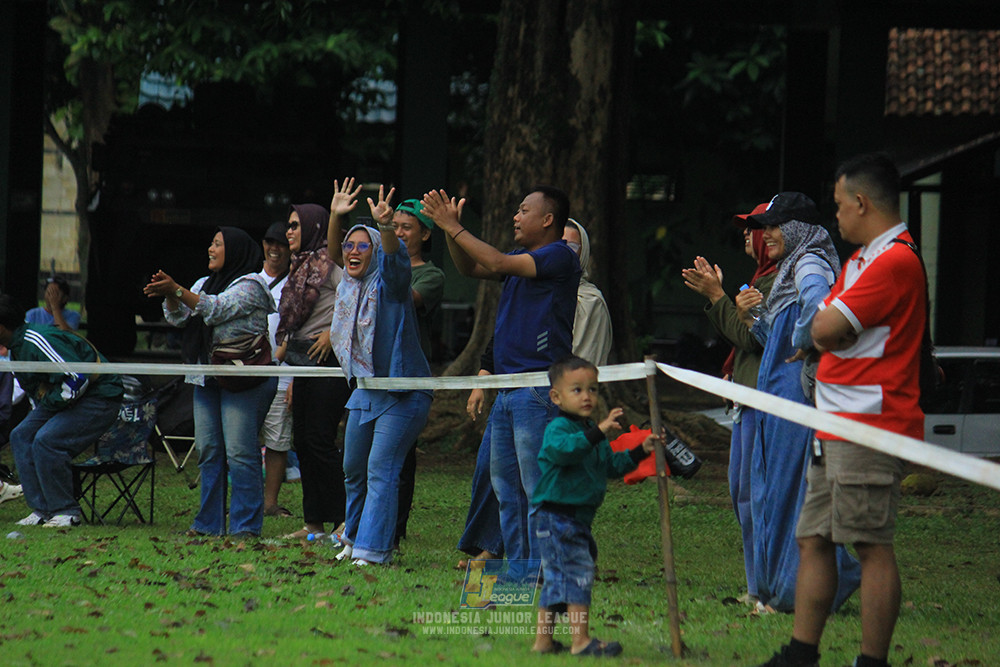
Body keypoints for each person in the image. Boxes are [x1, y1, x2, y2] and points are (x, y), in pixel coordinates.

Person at [758, 155, 925, 667]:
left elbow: (823, 326)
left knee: (870, 544)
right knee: (813, 537)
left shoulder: (893, 261)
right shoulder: (858, 261)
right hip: (831, 422)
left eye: (838, 205)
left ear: (862, 202)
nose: (836, 216)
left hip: (869, 424)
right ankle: (801, 652)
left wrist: (823, 331)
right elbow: (823, 324)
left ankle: (872, 660)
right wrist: (824, 330)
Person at [422, 186, 580, 577]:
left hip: (537, 390)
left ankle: (545, 567)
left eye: (524, 210)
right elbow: (471, 268)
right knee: (506, 490)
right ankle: (522, 570)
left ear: (548, 219)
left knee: (535, 486)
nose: (515, 217)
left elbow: (493, 259)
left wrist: (452, 226)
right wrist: (450, 230)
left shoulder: (560, 255)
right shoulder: (519, 260)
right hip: (509, 390)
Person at [456, 216, 611, 566]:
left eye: (570, 244)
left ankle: (550, 560)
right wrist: (484, 378)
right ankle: (517, 562)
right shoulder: (526, 282)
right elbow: (504, 331)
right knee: (502, 482)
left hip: (544, 394)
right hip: (510, 389)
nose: (561, 249)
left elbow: (586, 361)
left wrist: (571, 405)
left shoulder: (584, 295)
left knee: (537, 482)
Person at [735, 192, 860, 613]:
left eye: (775, 225)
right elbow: (777, 338)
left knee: (790, 494)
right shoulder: (792, 267)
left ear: (798, 228)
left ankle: (794, 593)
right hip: (779, 399)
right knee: (777, 491)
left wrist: (809, 339)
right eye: (765, 226)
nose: (767, 234)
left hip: (797, 401)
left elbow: (817, 304)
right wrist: (753, 319)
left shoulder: (808, 262)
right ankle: (792, 587)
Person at [144, 227, 277, 537]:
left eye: (218, 244)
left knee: (240, 453)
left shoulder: (252, 285)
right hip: (206, 378)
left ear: (235, 250)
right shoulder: (204, 283)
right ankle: (208, 524)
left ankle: (245, 527)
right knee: (208, 450)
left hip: (241, 380)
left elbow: (214, 309)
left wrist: (177, 290)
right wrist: (171, 294)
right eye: (211, 243)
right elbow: (177, 318)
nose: (210, 249)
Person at [327, 184, 432, 565]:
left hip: (404, 392)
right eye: (349, 246)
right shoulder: (348, 288)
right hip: (365, 389)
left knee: (381, 469)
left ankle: (374, 551)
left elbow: (396, 264)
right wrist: (335, 216)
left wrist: (385, 227)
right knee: (353, 469)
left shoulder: (391, 287)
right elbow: (333, 254)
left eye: (363, 245)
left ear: (375, 251)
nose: (353, 251)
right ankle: (353, 538)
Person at [530, 355, 660, 656]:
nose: (587, 396)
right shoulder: (559, 429)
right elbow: (565, 452)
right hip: (557, 518)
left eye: (593, 389)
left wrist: (640, 451)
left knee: (557, 579)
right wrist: (598, 431)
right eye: (577, 390)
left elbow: (611, 465)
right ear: (556, 397)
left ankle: (543, 643)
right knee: (578, 573)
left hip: (573, 519)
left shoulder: (592, 431)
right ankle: (580, 641)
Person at [681, 203, 777, 607]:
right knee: (742, 495)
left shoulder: (778, 280)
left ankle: (768, 587)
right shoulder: (762, 277)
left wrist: (718, 296)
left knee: (756, 497)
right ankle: (758, 586)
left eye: (754, 227)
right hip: (746, 398)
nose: (747, 234)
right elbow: (745, 339)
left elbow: (752, 337)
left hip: (763, 403)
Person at [0, 294, 122, 527]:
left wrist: (54, 403)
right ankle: (42, 510)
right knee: (21, 436)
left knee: (47, 441)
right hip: (63, 399)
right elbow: (37, 391)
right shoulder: (17, 347)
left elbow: (77, 377)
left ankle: (66, 511)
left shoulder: (36, 340)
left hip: (99, 396)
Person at [275, 200, 353, 540]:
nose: (289, 232)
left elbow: (354, 299)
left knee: (321, 439)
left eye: (295, 225)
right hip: (303, 361)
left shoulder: (331, 262)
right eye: (289, 225)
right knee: (303, 442)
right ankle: (314, 523)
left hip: (329, 362)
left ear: (312, 226)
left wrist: (332, 333)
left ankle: (342, 519)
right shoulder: (301, 265)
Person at [390, 198, 445, 548]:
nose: (398, 233)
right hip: (376, 370)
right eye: (393, 227)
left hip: (410, 373)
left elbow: (402, 298)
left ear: (425, 235)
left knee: (401, 454)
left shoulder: (431, 275)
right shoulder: (376, 263)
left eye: (405, 228)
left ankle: (394, 529)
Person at [257, 222, 294, 518]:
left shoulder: (297, 284)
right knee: (242, 440)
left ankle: (270, 503)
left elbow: (298, 328)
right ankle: (246, 501)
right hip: (249, 371)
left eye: (281, 243)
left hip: (283, 374)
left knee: (277, 441)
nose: (275, 248)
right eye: (270, 242)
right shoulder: (249, 281)